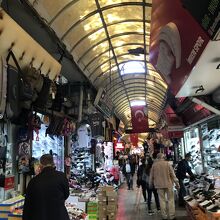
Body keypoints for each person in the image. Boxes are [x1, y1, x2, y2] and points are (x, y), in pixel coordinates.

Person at [22, 154, 70, 220]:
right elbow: (66, 195)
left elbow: (28, 206)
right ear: (53, 163)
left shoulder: (34, 181)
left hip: (41, 215)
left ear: (40, 165)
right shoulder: (61, 176)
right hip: (59, 215)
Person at [150, 153, 179, 220]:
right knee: (170, 200)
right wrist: (177, 183)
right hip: (168, 184)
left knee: (162, 200)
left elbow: (151, 176)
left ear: (157, 158)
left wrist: (150, 184)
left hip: (159, 185)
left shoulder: (154, 165)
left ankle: (164, 216)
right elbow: (173, 174)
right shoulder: (167, 164)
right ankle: (172, 216)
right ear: (163, 157)